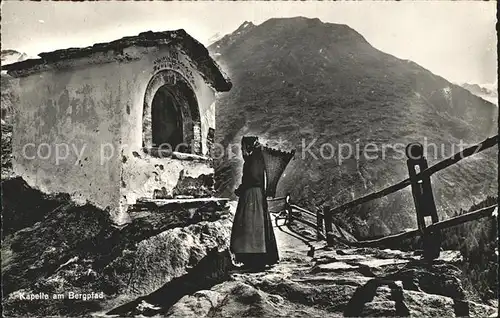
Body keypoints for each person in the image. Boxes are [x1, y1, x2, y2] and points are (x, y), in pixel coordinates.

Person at [230, 136, 279, 270]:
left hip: (252, 194)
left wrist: (240, 190)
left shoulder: (253, 160)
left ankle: (253, 259)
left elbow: (252, 179)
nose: (242, 150)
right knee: (255, 225)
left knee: (251, 225)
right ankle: (255, 258)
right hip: (254, 194)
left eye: (243, 147)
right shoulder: (257, 158)